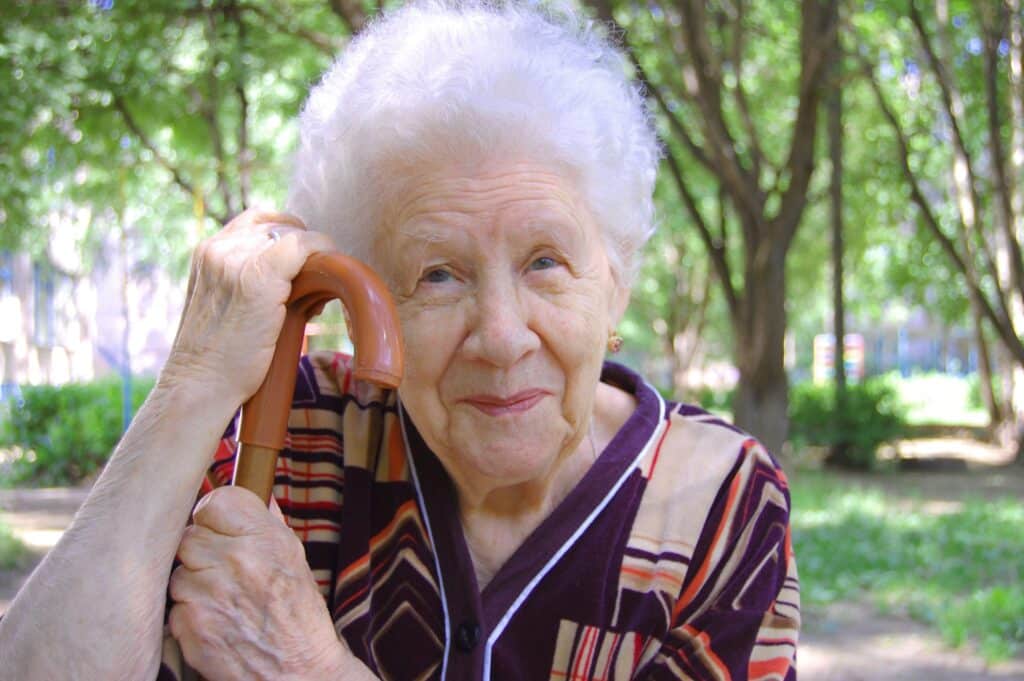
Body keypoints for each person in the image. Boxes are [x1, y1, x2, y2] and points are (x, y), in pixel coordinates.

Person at [0, 2, 799, 679]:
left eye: (545, 262)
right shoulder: (291, 438)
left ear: (617, 276)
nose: (499, 334)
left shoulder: (718, 504)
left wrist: (314, 667)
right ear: (363, 299)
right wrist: (193, 384)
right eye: (438, 274)